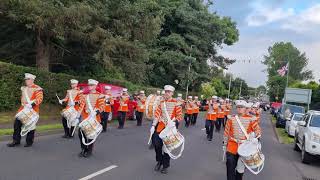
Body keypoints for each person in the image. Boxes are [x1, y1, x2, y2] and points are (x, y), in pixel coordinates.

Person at [223, 101, 261, 180]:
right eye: (238, 107)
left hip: (244, 148)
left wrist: (255, 136)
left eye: (242, 107)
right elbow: (226, 132)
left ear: (245, 108)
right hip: (231, 146)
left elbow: (258, 131)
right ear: (236, 108)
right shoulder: (231, 118)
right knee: (230, 167)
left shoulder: (251, 119)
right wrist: (224, 144)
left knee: (240, 171)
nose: (240, 109)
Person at [150, 85, 183, 174]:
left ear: (172, 93)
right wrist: (153, 125)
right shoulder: (161, 102)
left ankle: (165, 166)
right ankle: (159, 161)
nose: (167, 93)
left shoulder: (176, 102)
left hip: (170, 129)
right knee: (156, 145)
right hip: (160, 127)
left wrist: (174, 122)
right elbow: (157, 115)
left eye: (169, 92)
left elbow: (180, 116)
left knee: (167, 148)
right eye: (166, 91)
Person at [7, 73, 43, 147]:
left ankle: (29, 142)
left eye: (28, 79)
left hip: (32, 110)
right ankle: (16, 140)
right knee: (16, 124)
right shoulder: (24, 88)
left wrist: (32, 104)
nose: (26, 80)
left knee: (30, 126)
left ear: (32, 80)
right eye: (26, 79)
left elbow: (40, 98)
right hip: (22, 109)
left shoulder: (37, 88)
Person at [77, 79, 105, 158]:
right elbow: (81, 106)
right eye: (89, 85)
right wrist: (77, 115)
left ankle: (89, 151)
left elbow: (102, 106)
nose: (90, 86)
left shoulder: (100, 95)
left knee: (90, 135)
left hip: (94, 118)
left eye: (92, 85)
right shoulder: (85, 95)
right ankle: (83, 149)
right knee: (80, 133)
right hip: (85, 118)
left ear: (95, 86)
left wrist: (97, 112)